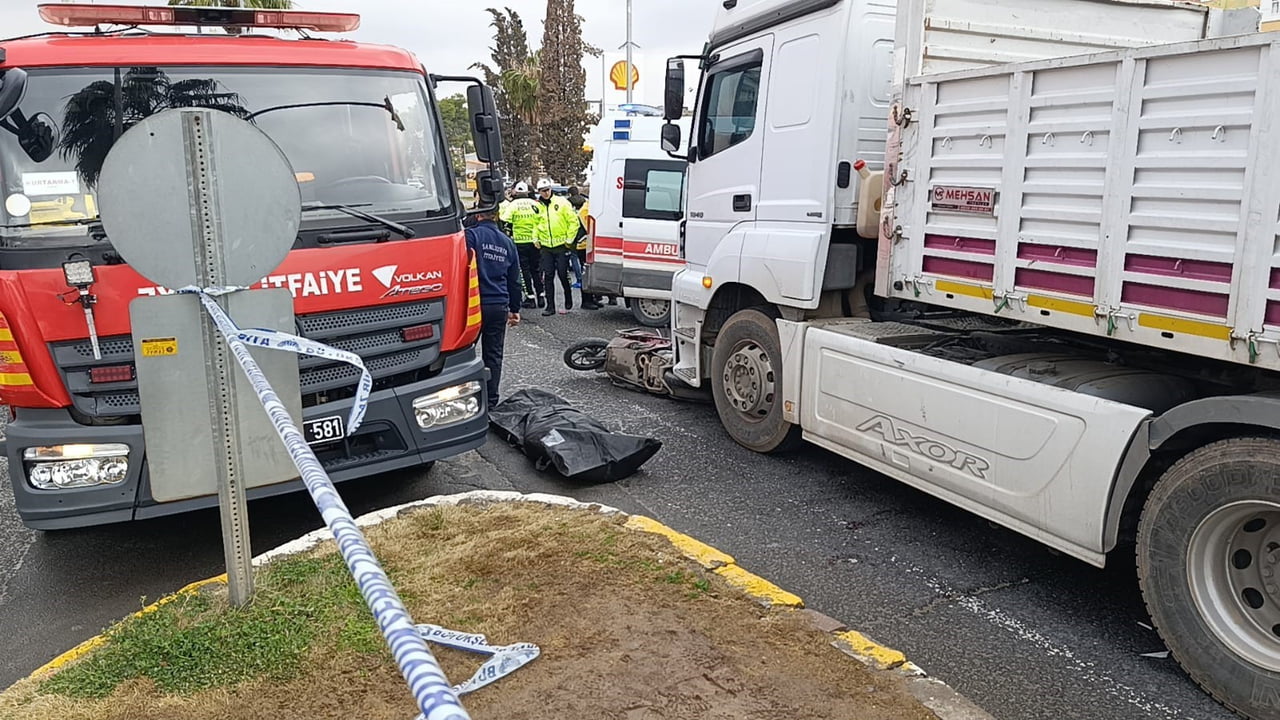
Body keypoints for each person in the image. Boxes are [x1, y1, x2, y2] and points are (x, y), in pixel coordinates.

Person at [465, 209, 522, 410]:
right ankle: (490, 400)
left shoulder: (470, 236)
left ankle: (466, 401)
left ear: (478, 215)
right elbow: (515, 280)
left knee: (463, 355)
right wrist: (515, 308)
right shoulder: (507, 242)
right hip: (498, 304)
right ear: (496, 216)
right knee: (493, 354)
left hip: (472, 305)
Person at [534, 178, 580, 316]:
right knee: (548, 276)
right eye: (543, 191)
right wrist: (535, 238)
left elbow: (573, 222)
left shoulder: (562, 203)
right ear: (539, 192)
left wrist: (569, 240)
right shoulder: (538, 206)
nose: (546, 193)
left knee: (562, 274)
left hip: (561, 246)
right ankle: (550, 306)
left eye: (547, 190)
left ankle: (568, 296)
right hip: (546, 246)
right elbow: (536, 224)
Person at [499, 181, 545, 309]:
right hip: (536, 242)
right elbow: (543, 219)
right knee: (536, 270)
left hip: (520, 242)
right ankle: (541, 295)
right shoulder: (535, 204)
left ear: (516, 192)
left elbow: (504, 219)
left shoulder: (513, 205)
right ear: (527, 192)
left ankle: (530, 297)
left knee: (524, 271)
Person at [574, 191, 603, 310]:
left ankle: (591, 299)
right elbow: (590, 229)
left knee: (590, 273)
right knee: (586, 273)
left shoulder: (589, 207)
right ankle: (586, 301)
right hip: (583, 246)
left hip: (587, 245)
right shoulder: (586, 210)